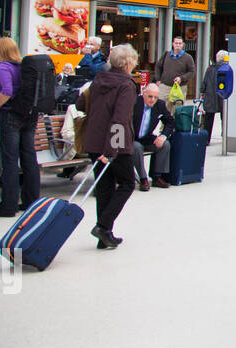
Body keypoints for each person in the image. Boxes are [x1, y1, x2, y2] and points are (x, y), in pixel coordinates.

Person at [81, 43, 140, 250]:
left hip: (94, 140)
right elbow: (120, 119)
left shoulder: (99, 79)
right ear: (129, 62)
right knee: (127, 184)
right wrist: (112, 150)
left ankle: (104, 236)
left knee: (104, 187)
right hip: (116, 144)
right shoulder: (126, 84)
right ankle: (103, 227)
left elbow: (81, 103)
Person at [0, 37, 40, 219]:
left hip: (10, 115)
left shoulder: (4, 67)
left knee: (10, 160)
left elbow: (7, 91)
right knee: (29, 158)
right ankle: (31, 202)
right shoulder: (22, 66)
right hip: (29, 115)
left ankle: (8, 205)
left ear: (1, 50)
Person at [130, 84, 174, 191]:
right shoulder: (135, 102)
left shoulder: (160, 105)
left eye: (155, 97)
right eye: (150, 96)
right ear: (143, 95)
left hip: (146, 136)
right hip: (132, 137)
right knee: (137, 147)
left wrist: (163, 136)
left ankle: (156, 176)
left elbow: (170, 122)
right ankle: (143, 178)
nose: (152, 99)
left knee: (165, 144)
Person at [154, 36, 196, 103]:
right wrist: (158, 79)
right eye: (176, 43)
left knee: (177, 109)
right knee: (162, 107)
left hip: (180, 88)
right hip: (165, 87)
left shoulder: (188, 58)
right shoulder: (166, 55)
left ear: (183, 45)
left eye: (180, 43)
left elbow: (192, 72)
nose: (178, 45)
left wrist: (181, 78)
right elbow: (158, 66)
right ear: (173, 44)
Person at [199, 50, 227, 141]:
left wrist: (202, 92)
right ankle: (225, 136)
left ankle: (206, 139)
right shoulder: (227, 68)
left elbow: (205, 82)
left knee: (208, 118)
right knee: (224, 117)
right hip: (222, 97)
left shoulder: (210, 69)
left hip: (210, 96)